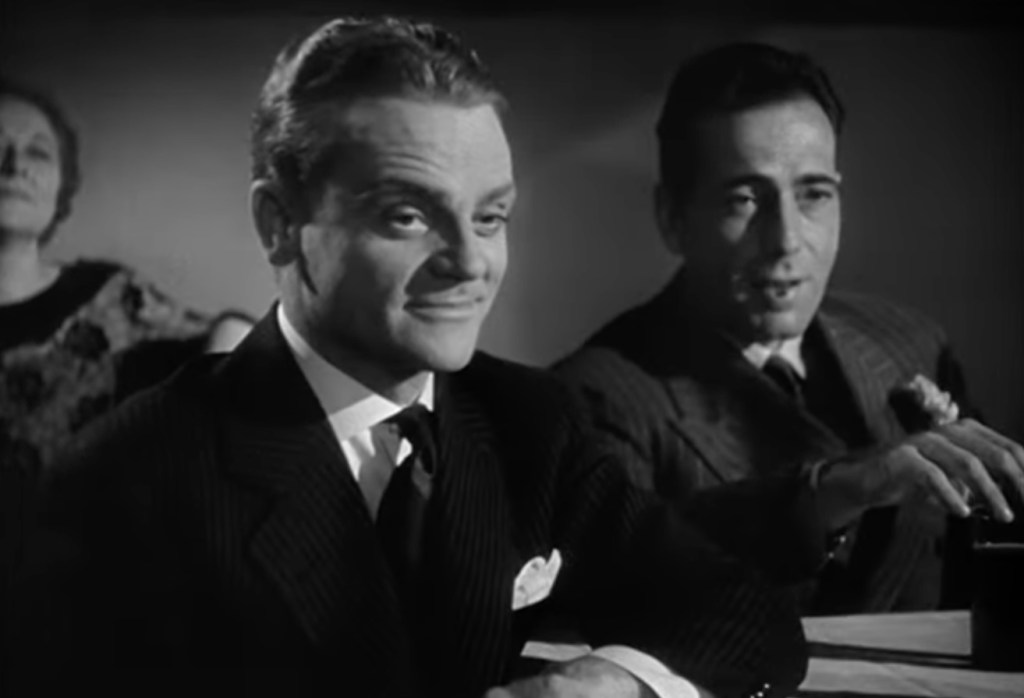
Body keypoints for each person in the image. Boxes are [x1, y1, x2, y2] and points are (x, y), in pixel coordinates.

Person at [5, 18, 808, 698]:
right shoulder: (126, 480)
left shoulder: (532, 423)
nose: (470, 262)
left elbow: (742, 612)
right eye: (408, 217)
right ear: (279, 225)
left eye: (490, 218)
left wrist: (614, 681)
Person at [554, 42, 1024, 615]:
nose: (786, 240)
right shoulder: (596, 397)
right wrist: (830, 492)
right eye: (744, 199)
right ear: (672, 217)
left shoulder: (912, 343)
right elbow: (623, 589)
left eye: (814, 195)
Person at [0, 76, 250, 605]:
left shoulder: (108, 299)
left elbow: (233, 337)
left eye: (38, 152)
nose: (15, 165)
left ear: (62, 186)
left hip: (81, 597)